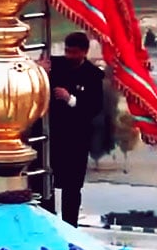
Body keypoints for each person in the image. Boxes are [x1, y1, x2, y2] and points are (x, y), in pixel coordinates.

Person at [29, 32, 104, 227]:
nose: (69, 56)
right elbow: (28, 80)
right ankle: (46, 223)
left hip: (75, 141)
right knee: (44, 182)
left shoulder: (93, 76)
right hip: (50, 137)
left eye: (74, 52)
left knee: (71, 188)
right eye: (67, 51)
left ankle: (70, 228)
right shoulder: (54, 65)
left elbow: (95, 108)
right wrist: (38, 72)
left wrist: (70, 99)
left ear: (84, 52)